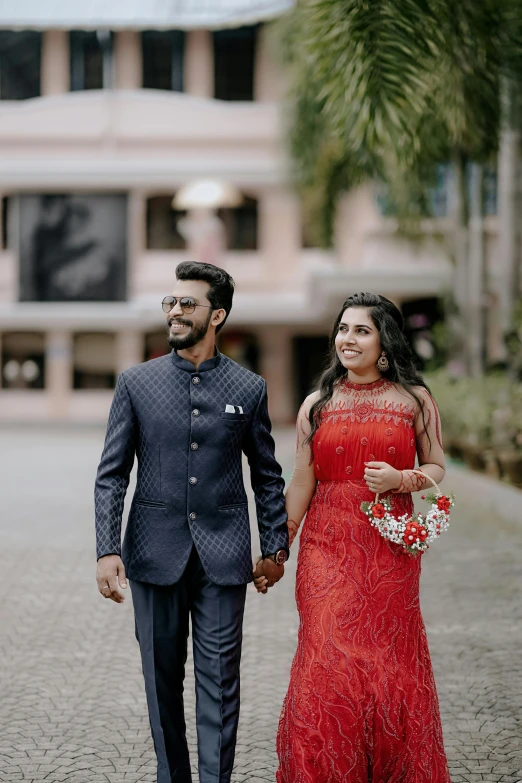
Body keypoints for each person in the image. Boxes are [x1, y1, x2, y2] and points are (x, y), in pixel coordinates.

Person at [94, 261, 289, 783]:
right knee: (160, 683)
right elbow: (111, 474)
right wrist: (106, 548)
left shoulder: (248, 389)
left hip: (224, 558)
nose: (175, 312)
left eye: (188, 304)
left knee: (220, 684)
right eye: (171, 303)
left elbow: (267, 476)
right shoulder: (136, 383)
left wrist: (275, 547)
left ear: (217, 314)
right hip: (153, 553)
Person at [256, 292, 451, 783]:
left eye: (361, 330)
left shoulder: (414, 400)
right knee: (326, 658)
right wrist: (281, 547)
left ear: (384, 341)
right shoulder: (317, 405)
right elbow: (301, 481)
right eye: (343, 329)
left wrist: (402, 480)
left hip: (388, 547)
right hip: (326, 545)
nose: (348, 339)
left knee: (387, 664)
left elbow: (437, 468)